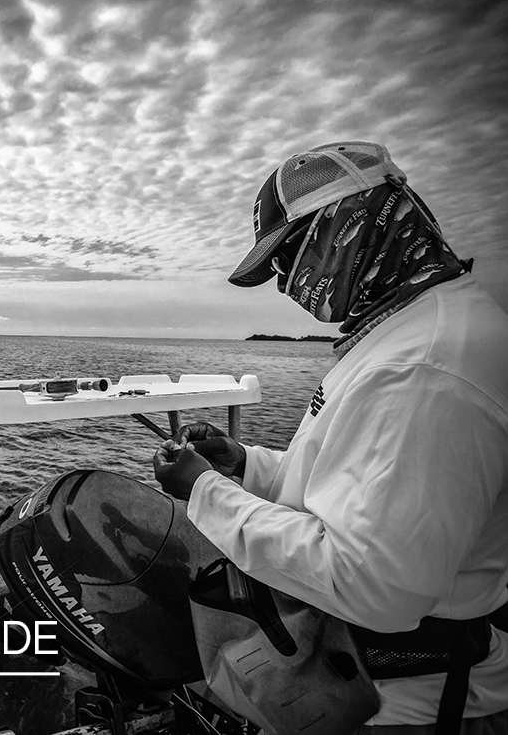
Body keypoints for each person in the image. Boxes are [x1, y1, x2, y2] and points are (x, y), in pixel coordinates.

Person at [152, 141, 508, 732]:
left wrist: (206, 492)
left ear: (350, 223)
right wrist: (246, 464)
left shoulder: (425, 367)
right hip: (364, 685)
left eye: (289, 256)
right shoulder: (414, 329)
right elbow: (355, 486)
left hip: (401, 709)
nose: (286, 282)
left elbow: (371, 583)